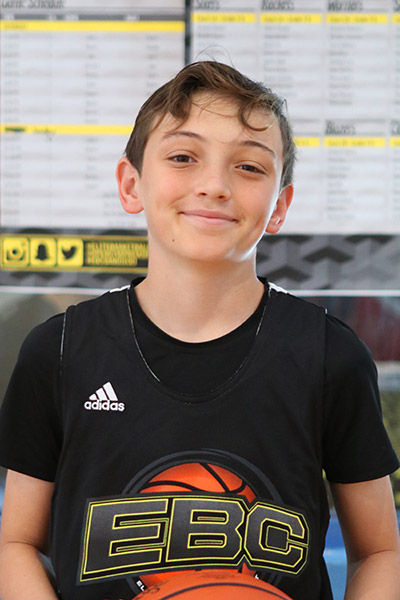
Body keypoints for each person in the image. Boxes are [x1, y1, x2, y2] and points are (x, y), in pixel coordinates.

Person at [0, 61, 399, 600]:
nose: (214, 186)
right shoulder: (60, 351)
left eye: (249, 167)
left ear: (279, 206)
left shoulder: (330, 356)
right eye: (183, 157)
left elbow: (379, 552)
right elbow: (18, 544)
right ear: (131, 185)